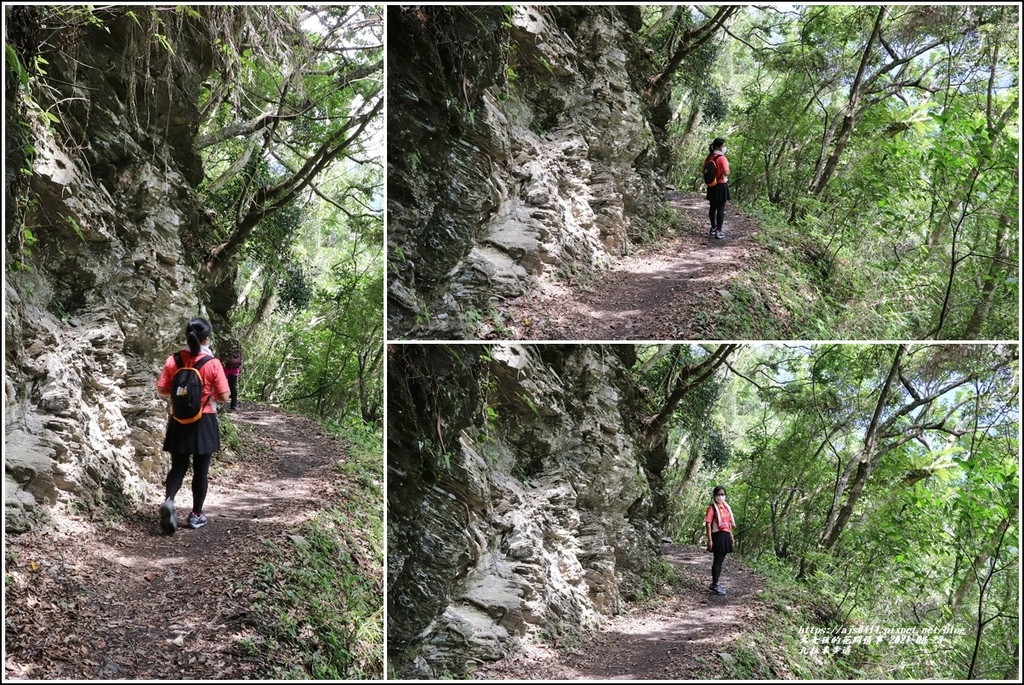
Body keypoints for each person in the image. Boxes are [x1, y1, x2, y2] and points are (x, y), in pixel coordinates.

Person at [156, 317, 230, 534]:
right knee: (201, 470)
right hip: (204, 421)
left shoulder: (174, 360)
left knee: (178, 466)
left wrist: (182, 393)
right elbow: (225, 396)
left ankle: (169, 501)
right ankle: (197, 515)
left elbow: (162, 390)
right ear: (207, 339)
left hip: (178, 420)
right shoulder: (212, 363)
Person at [704, 484, 735, 595]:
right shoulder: (712, 508)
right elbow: (708, 524)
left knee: (720, 561)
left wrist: (731, 536)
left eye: (722, 494)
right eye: (718, 494)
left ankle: (715, 583)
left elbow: (729, 523)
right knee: (717, 560)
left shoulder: (726, 508)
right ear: (714, 496)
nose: (720, 497)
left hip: (726, 535)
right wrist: (710, 540)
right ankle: (714, 584)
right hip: (718, 535)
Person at [704, 137, 731, 240]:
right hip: (721, 185)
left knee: (712, 207)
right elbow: (726, 172)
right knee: (721, 208)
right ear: (718, 147)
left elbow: (704, 170)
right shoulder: (722, 158)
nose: (724, 147)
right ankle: (719, 231)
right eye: (723, 145)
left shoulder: (709, 157)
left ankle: (713, 227)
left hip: (711, 185)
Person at [222, 338, 243, 411]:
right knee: (233, 387)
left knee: (221, 385)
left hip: (225, 369)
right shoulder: (238, 351)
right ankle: (233, 405)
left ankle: (220, 402)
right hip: (234, 370)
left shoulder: (225, 349)